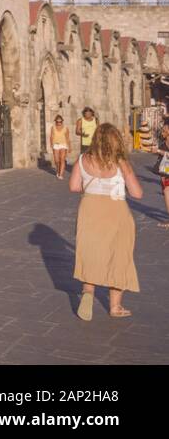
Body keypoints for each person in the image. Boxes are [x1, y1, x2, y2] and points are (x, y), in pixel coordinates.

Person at [70, 122, 141, 320]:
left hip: (90, 210)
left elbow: (74, 186)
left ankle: (88, 293)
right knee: (119, 257)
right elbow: (137, 193)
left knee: (90, 252)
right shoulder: (121, 163)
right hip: (116, 211)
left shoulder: (83, 159)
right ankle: (115, 307)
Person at [153, 119, 169, 230]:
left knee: (167, 194)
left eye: (164, 129)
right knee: (166, 194)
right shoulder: (164, 143)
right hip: (165, 172)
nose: (162, 131)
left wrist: (158, 151)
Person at [50, 114, 71, 180]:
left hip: (63, 144)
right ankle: (58, 170)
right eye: (57, 122)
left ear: (62, 121)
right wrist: (51, 144)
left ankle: (61, 174)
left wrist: (69, 146)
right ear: (55, 121)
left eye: (60, 122)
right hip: (55, 144)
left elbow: (67, 138)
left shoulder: (66, 128)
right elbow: (51, 136)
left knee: (62, 159)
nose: (59, 123)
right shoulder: (53, 127)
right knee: (56, 160)